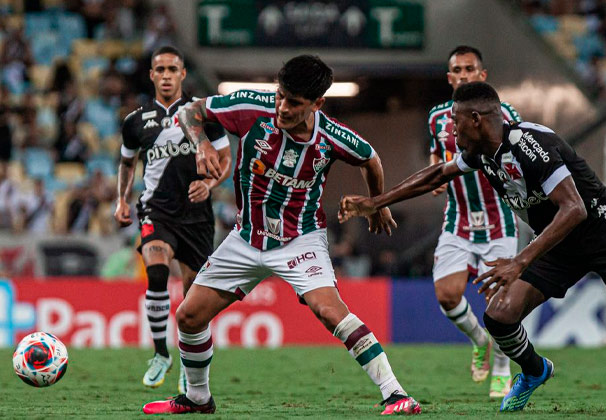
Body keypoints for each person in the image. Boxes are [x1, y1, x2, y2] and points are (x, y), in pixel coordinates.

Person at [339, 81, 606, 414]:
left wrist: (519, 260)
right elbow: (436, 175)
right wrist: (377, 201)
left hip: (605, 234)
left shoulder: (529, 143)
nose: (452, 131)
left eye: (456, 123)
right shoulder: (481, 152)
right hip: (559, 244)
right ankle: (533, 370)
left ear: (477, 119)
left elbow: (574, 209)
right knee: (499, 316)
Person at [142, 55, 421, 415]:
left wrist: (378, 203)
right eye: (280, 95)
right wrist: (202, 144)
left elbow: (370, 158)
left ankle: (396, 394)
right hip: (246, 236)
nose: (282, 107)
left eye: (295, 102)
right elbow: (191, 111)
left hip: (300, 239)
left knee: (329, 311)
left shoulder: (331, 136)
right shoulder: (251, 106)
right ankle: (197, 398)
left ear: (317, 104)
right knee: (189, 317)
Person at [114, 46, 232, 394]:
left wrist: (209, 184)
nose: (166, 75)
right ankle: (160, 353)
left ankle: (186, 364)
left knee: (193, 298)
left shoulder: (202, 113)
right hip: (156, 209)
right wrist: (121, 200)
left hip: (196, 217)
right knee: (156, 267)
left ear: (183, 74)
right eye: (160, 69)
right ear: (152, 75)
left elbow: (225, 158)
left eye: (172, 69)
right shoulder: (135, 121)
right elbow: (127, 162)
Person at [427, 46, 520, 398]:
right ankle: (480, 341)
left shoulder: (506, 114)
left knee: (499, 305)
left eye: (470, 69)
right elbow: (435, 153)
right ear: (450, 78)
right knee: (447, 295)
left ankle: (501, 365)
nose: (464, 74)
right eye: (457, 70)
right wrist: (435, 174)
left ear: (482, 75)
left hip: (500, 222)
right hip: (459, 219)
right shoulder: (437, 117)